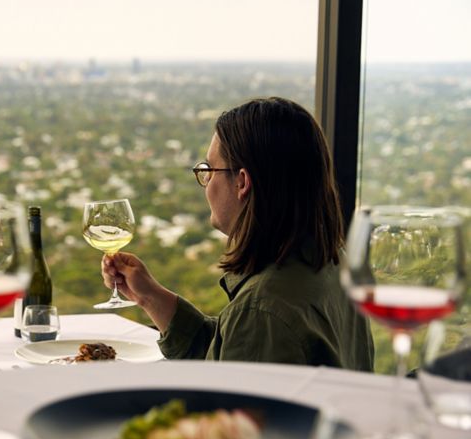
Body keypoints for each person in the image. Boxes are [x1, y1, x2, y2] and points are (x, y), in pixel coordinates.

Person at [103, 97, 374, 370]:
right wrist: (148, 295)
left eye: (209, 170)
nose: (206, 184)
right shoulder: (334, 261)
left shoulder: (263, 308)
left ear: (242, 182)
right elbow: (232, 349)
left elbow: (230, 401)